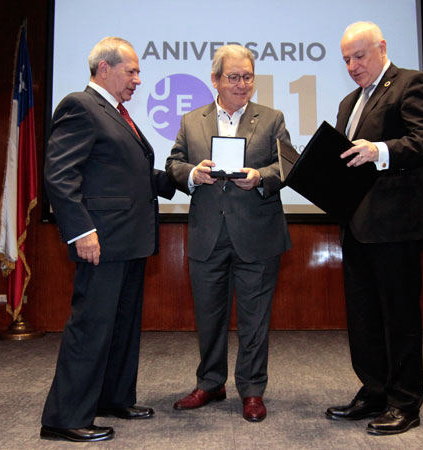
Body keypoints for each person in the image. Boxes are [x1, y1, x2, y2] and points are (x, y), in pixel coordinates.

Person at [40, 36, 175, 443]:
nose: (138, 79)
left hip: (129, 241)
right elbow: (59, 175)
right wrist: (82, 231)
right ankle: (64, 418)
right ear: (104, 68)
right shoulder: (80, 107)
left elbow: (132, 174)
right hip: (101, 240)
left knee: (121, 326)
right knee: (92, 326)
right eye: (131, 71)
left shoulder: (117, 113)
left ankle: (113, 398)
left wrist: (184, 178)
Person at [324, 22, 423, 435]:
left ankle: (405, 402)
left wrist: (381, 150)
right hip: (356, 225)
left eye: (359, 56)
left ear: (382, 48)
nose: (352, 66)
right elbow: (344, 161)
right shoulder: (347, 103)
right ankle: (374, 390)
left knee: (399, 317)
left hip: (395, 225)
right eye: (346, 60)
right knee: (364, 317)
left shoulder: (410, 83)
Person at [165, 44, 292, 423]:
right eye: (233, 77)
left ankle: (252, 391)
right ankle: (211, 383)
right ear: (215, 79)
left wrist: (260, 177)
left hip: (257, 234)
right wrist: (191, 173)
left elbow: (287, 166)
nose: (241, 84)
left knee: (255, 319)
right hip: (208, 233)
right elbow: (173, 163)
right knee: (209, 316)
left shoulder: (271, 119)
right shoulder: (192, 120)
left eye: (248, 76)